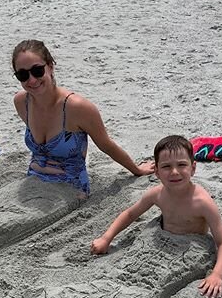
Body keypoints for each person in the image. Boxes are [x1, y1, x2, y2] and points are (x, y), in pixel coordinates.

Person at [91, 135, 222, 298]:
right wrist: (106, 238)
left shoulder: (202, 202)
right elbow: (130, 214)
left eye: (181, 165)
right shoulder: (157, 194)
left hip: (192, 245)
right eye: (166, 166)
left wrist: (216, 274)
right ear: (156, 171)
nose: (174, 172)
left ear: (193, 168)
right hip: (160, 236)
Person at [12, 40, 154, 198]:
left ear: (50, 66)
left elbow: (106, 144)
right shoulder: (21, 102)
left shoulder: (78, 108)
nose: (31, 80)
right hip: (33, 182)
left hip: (70, 188)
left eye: (37, 70)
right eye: (23, 75)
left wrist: (137, 170)